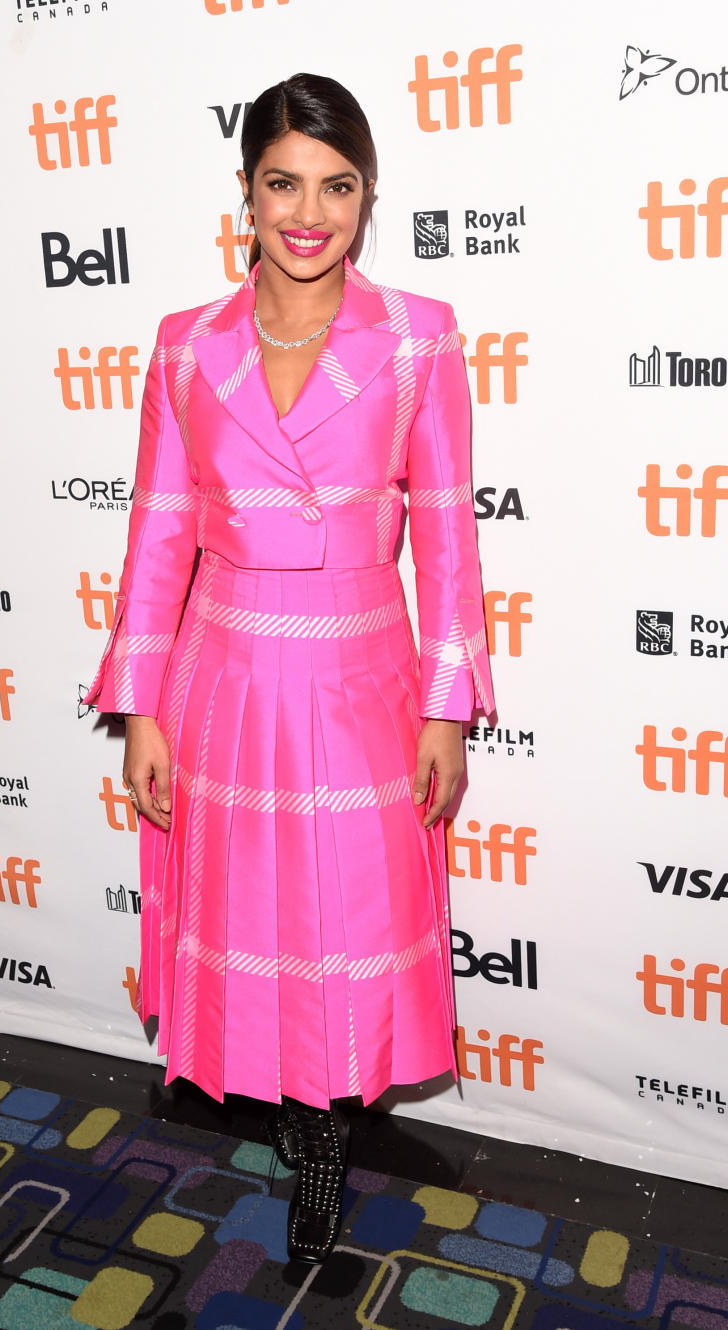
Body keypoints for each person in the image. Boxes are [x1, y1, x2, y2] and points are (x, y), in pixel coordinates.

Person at [85, 72, 494, 1263]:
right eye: (284, 182)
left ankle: (332, 1127)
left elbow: (450, 533)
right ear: (247, 191)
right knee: (249, 907)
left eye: (338, 185)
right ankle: (285, 1107)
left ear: (367, 199)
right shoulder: (183, 346)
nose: (308, 211)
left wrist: (447, 705)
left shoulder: (420, 337)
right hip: (223, 677)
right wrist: (141, 707)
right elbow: (158, 531)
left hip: (362, 672)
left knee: (347, 915)